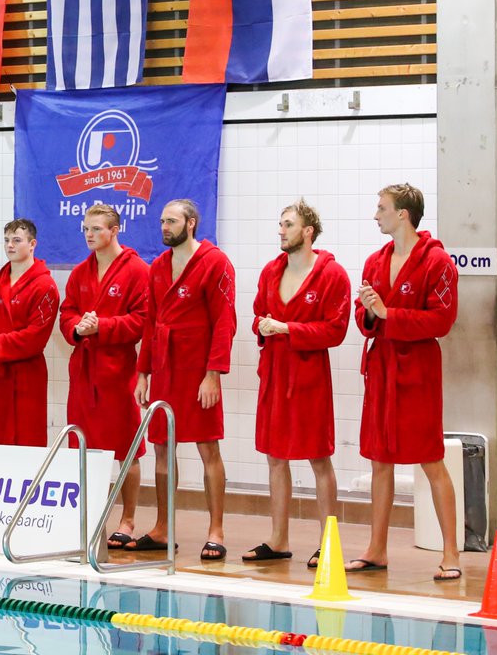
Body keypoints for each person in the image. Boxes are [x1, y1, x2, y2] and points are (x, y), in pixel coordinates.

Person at [347, 184, 461, 581]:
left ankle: (451, 553)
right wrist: (370, 312)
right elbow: (367, 323)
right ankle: (376, 549)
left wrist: (389, 313)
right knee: (379, 459)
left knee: (430, 460)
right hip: (381, 368)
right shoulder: (375, 261)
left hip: (417, 372)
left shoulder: (438, 262)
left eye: (381, 208)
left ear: (404, 215)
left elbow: (442, 322)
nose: (375, 215)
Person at [242, 200, 350, 567]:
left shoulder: (333, 275)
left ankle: (328, 542)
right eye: (280, 224)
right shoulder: (272, 272)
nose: (281, 230)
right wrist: (262, 325)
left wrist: (290, 328)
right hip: (274, 370)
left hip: (309, 374)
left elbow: (336, 330)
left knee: (319, 457)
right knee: (275, 456)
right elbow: (258, 313)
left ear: (308, 231)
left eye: (288, 224)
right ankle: (278, 538)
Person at [132, 199, 236, 559]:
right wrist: (142, 371)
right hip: (164, 365)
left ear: (190, 223)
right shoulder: (157, 266)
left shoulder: (215, 262)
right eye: (162, 220)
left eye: (171, 221)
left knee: (207, 446)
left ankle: (216, 529)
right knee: (161, 445)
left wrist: (213, 374)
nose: (164, 227)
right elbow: (150, 322)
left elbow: (225, 320)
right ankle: (163, 526)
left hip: (197, 367)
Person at [58, 204, 149, 549]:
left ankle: (128, 517)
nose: (89, 235)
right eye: (85, 229)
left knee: (127, 449)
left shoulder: (137, 270)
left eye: (96, 229)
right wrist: (77, 329)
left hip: (117, 371)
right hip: (84, 371)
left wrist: (104, 326)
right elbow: (67, 312)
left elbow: (142, 320)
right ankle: (94, 516)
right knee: (85, 447)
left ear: (115, 230)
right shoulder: (81, 272)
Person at [0, 218, 59, 447]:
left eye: (16, 240)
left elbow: (35, 337)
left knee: (29, 437)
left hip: (29, 375)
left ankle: (32, 483)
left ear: (32, 244)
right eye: (7, 240)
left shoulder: (45, 286)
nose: (10, 245)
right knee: (1, 436)